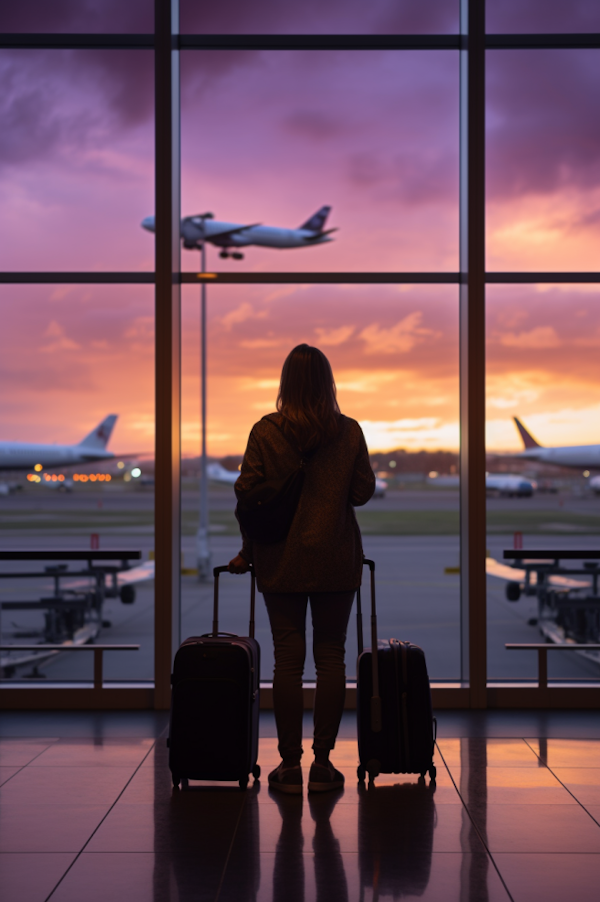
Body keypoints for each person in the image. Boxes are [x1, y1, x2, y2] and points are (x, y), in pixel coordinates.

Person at [229, 343, 375, 794]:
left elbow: (248, 496)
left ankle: (288, 765)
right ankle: (324, 764)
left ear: (285, 382)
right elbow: (362, 492)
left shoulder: (266, 431)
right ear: (328, 382)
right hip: (335, 557)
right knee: (332, 657)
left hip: (281, 559)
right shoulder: (348, 432)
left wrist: (247, 551)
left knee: (287, 661)